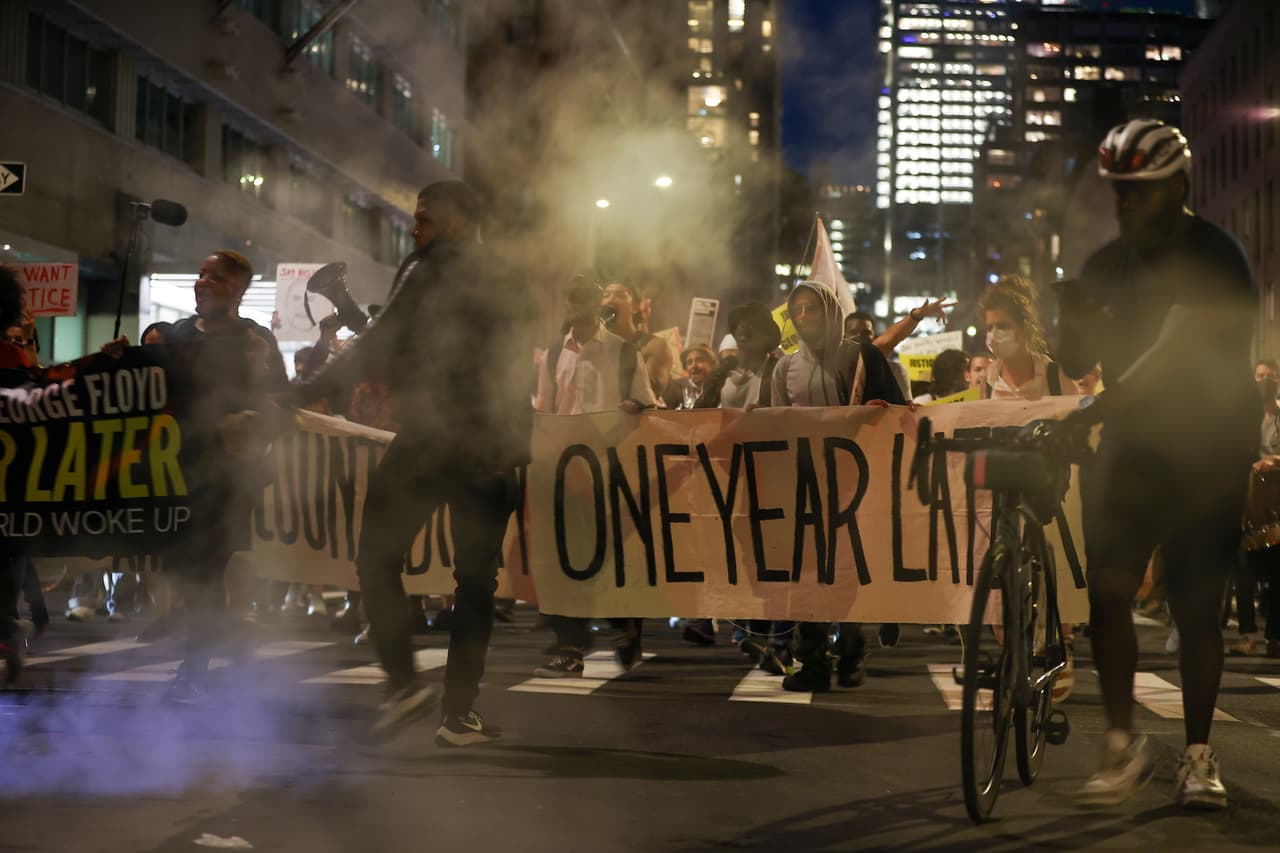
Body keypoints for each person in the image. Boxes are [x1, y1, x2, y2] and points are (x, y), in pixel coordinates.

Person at [1059, 119, 1258, 809]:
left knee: (1197, 610)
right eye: (1117, 189)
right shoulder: (1104, 264)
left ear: (1177, 186)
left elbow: (1175, 353)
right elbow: (1076, 361)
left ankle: (1199, 755)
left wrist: (1101, 402)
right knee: (1108, 590)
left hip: (1208, 449)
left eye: (1138, 190)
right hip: (1132, 448)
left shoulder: (1217, 255)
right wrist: (1072, 318)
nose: (1124, 203)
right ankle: (1121, 743)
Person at [295, 181, 535, 746]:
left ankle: (403, 684)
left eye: (425, 218)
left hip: (434, 439)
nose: (414, 228)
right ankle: (459, 714)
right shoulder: (510, 277)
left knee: (376, 556)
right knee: (475, 584)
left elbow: (383, 342)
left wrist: (301, 391)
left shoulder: (430, 264)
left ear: (457, 221)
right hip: (493, 448)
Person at [765, 280, 906, 692]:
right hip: (805, 485)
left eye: (811, 308)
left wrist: (879, 411)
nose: (803, 316)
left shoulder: (862, 357)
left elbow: (899, 411)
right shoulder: (785, 368)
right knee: (807, 574)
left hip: (855, 484)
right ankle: (813, 661)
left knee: (847, 570)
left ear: (830, 311)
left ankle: (851, 652)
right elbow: (775, 423)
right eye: (797, 309)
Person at [160, 249, 288, 703]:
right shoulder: (175, 335)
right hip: (174, 472)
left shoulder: (255, 340)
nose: (202, 283)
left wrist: (259, 381)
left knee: (207, 566)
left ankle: (194, 668)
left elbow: (282, 405)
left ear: (238, 289)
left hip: (229, 477)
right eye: (200, 274)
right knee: (189, 570)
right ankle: (224, 634)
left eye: (214, 277)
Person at [533, 281, 656, 677]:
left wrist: (634, 406)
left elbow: (648, 404)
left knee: (614, 554)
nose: (576, 305)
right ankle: (570, 645)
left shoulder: (622, 351)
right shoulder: (554, 353)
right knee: (567, 558)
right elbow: (544, 409)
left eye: (584, 298)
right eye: (571, 298)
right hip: (565, 471)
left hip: (611, 467)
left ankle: (625, 626)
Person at [980, 275, 1077, 400]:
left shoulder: (1056, 377)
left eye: (1002, 326)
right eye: (989, 328)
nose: (993, 334)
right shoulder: (988, 383)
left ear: (1025, 328)